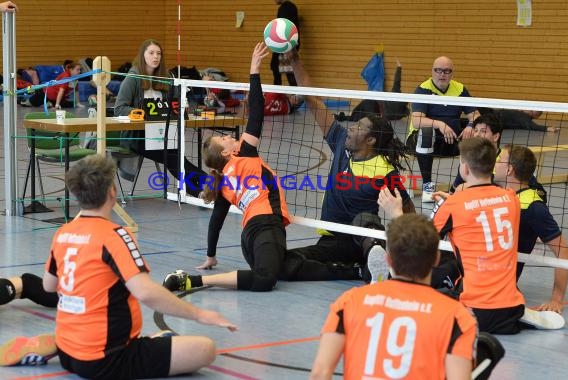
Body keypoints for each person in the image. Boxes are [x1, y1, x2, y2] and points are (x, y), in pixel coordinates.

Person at [163, 43, 363, 294]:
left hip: (254, 237)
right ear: (227, 152)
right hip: (265, 227)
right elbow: (256, 112)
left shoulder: (224, 179)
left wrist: (211, 255)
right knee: (265, 279)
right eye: (223, 139)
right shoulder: (242, 155)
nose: (228, 137)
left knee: (285, 269)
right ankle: (192, 280)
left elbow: (216, 221)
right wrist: (254, 70)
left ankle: (356, 271)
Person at [26, 154, 236, 378]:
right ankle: (141, 344)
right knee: (205, 349)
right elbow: (145, 291)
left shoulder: (63, 232)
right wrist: (200, 314)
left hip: (69, 353)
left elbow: (49, 285)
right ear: (112, 192)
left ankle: (67, 345)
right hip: (106, 358)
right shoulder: (115, 235)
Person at [379, 137, 566, 334]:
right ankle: (520, 314)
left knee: (421, 283)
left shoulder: (455, 204)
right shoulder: (511, 199)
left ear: (465, 169)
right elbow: (484, 207)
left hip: (474, 312)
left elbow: (415, 243)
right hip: (511, 310)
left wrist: (396, 214)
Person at [275, 49, 414, 278]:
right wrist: (295, 60)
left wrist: (411, 250)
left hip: (363, 238)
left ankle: (374, 259)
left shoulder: (385, 171)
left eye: (359, 127)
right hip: (333, 238)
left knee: (365, 221)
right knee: (283, 263)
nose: (351, 127)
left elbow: (406, 209)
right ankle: (357, 272)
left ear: (371, 140)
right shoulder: (341, 142)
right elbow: (311, 99)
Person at [311, 214, 479, 380]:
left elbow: (320, 373)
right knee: (487, 353)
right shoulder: (457, 317)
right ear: (436, 258)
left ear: (388, 259)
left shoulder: (349, 302)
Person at [114, 39, 207, 197]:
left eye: (158, 53)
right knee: (174, 159)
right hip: (137, 137)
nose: (155, 56)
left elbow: (177, 103)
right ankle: (208, 184)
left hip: (163, 134)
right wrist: (143, 113)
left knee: (176, 158)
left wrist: (182, 106)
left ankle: (200, 193)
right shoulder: (133, 78)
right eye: (151, 53)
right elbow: (119, 108)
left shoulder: (166, 78)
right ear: (143, 55)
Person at [494, 145, 568, 313]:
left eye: (499, 160)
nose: (495, 163)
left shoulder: (533, 206)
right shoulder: (496, 193)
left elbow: (563, 251)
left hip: (495, 282)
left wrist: (556, 300)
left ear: (509, 170)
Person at [407, 56, 479, 203]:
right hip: (420, 143)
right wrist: (440, 124)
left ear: (452, 74)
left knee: (475, 135)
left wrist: (471, 126)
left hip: (450, 141)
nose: (442, 74)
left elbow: (476, 115)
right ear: (432, 71)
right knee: (426, 131)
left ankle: (458, 187)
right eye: (438, 70)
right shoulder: (423, 90)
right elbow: (416, 120)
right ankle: (427, 187)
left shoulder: (459, 89)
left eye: (447, 71)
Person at [336, 59, 409, 122]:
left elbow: (397, 81)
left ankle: (342, 117)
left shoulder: (397, 94)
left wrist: (399, 67)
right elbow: (406, 113)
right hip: (376, 112)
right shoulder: (400, 114)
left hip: (373, 104)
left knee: (357, 115)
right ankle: (342, 117)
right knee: (357, 118)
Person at [271, 0, 300, 86]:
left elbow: (283, 27)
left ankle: (278, 94)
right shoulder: (292, 7)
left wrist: (286, 46)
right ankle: (294, 95)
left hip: (285, 45)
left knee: (279, 68)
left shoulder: (284, 8)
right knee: (284, 69)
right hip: (290, 43)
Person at [479, 108, 560, 133]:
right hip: (492, 114)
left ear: (532, 113)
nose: (526, 108)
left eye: (529, 109)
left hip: (491, 117)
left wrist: (547, 128)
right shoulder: (522, 115)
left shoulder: (523, 117)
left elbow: (532, 126)